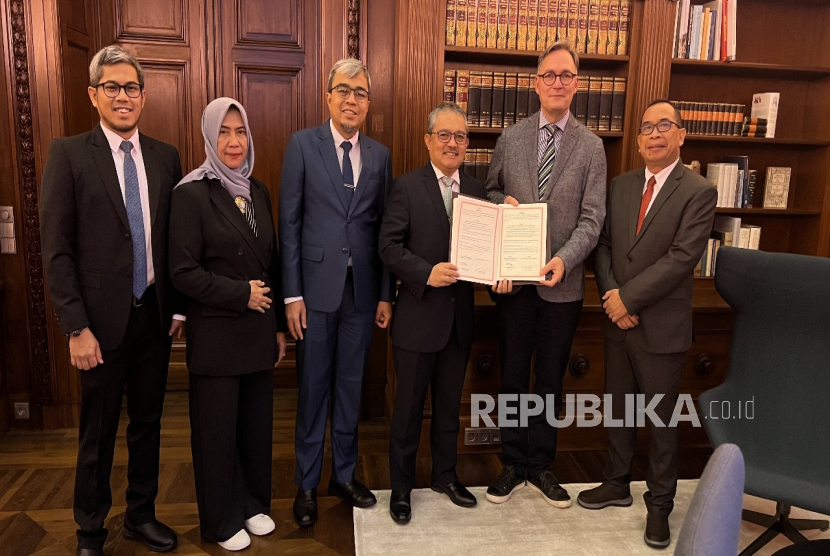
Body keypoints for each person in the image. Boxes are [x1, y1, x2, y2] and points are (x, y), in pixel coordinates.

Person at [40, 45, 183, 556]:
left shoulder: (166, 157)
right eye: (112, 87)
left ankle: (140, 515)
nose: (123, 96)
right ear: (93, 94)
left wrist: (179, 308)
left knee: (147, 425)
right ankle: (90, 532)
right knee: (96, 434)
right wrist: (76, 328)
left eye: (131, 88)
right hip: (98, 328)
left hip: (154, 319)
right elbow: (56, 251)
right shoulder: (70, 153)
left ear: (144, 96)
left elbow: (173, 242)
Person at [577, 99, 717, 548]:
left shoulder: (697, 191)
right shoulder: (620, 186)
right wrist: (611, 295)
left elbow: (681, 259)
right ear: (638, 140)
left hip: (661, 327)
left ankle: (660, 507)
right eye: (646, 128)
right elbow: (601, 245)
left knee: (661, 423)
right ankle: (617, 483)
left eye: (664, 126)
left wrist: (627, 298)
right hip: (618, 319)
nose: (654, 134)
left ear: (680, 135)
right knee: (619, 409)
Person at [484, 40, 606, 507]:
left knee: (550, 380)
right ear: (536, 83)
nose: (558, 82)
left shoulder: (592, 147)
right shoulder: (510, 139)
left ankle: (542, 465)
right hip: (513, 284)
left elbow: (592, 221)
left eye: (567, 75)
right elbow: (490, 193)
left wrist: (564, 259)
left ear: (577, 84)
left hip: (563, 285)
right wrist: (503, 205)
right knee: (514, 375)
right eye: (549, 74)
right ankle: (512, 462)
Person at [279, 58, 394, 527]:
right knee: (313, 390)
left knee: (350, 388)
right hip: (314, 293)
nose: (352, 99)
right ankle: (306, 482)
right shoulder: (303, 145)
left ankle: (342, 475)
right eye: (344, 90)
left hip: (361, 295)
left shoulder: (381, 156)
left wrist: (386, 294)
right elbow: (289, 224)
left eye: (361, 93)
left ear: (368, 103)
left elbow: (384, 231)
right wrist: (291, 295)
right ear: (327, 96)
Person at [168, 97, 287, 551]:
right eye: (224, 132)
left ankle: (254, 504)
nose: (234, 141)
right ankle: (220, 520)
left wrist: (276, 326)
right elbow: (183, 272)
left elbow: (270, 263)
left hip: (258, 332)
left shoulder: (258, 191)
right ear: (209, 136)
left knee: (255, 428)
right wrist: (241, 294)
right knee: (216, 433)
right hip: (217, 334)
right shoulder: (191, 193)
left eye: (240, 132)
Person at [379, 102, 485, 524]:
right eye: (444, 135)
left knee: (447, 410)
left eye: (460, 136)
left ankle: (445, 475)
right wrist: (427, 273)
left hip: (459, 323)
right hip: (417, 320)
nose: (452, 143)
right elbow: (388, 247)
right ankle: (401, 489)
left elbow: (485, 251)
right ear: (428, 140)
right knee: (406, 412)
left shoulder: (476, 191)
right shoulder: (406, 187)